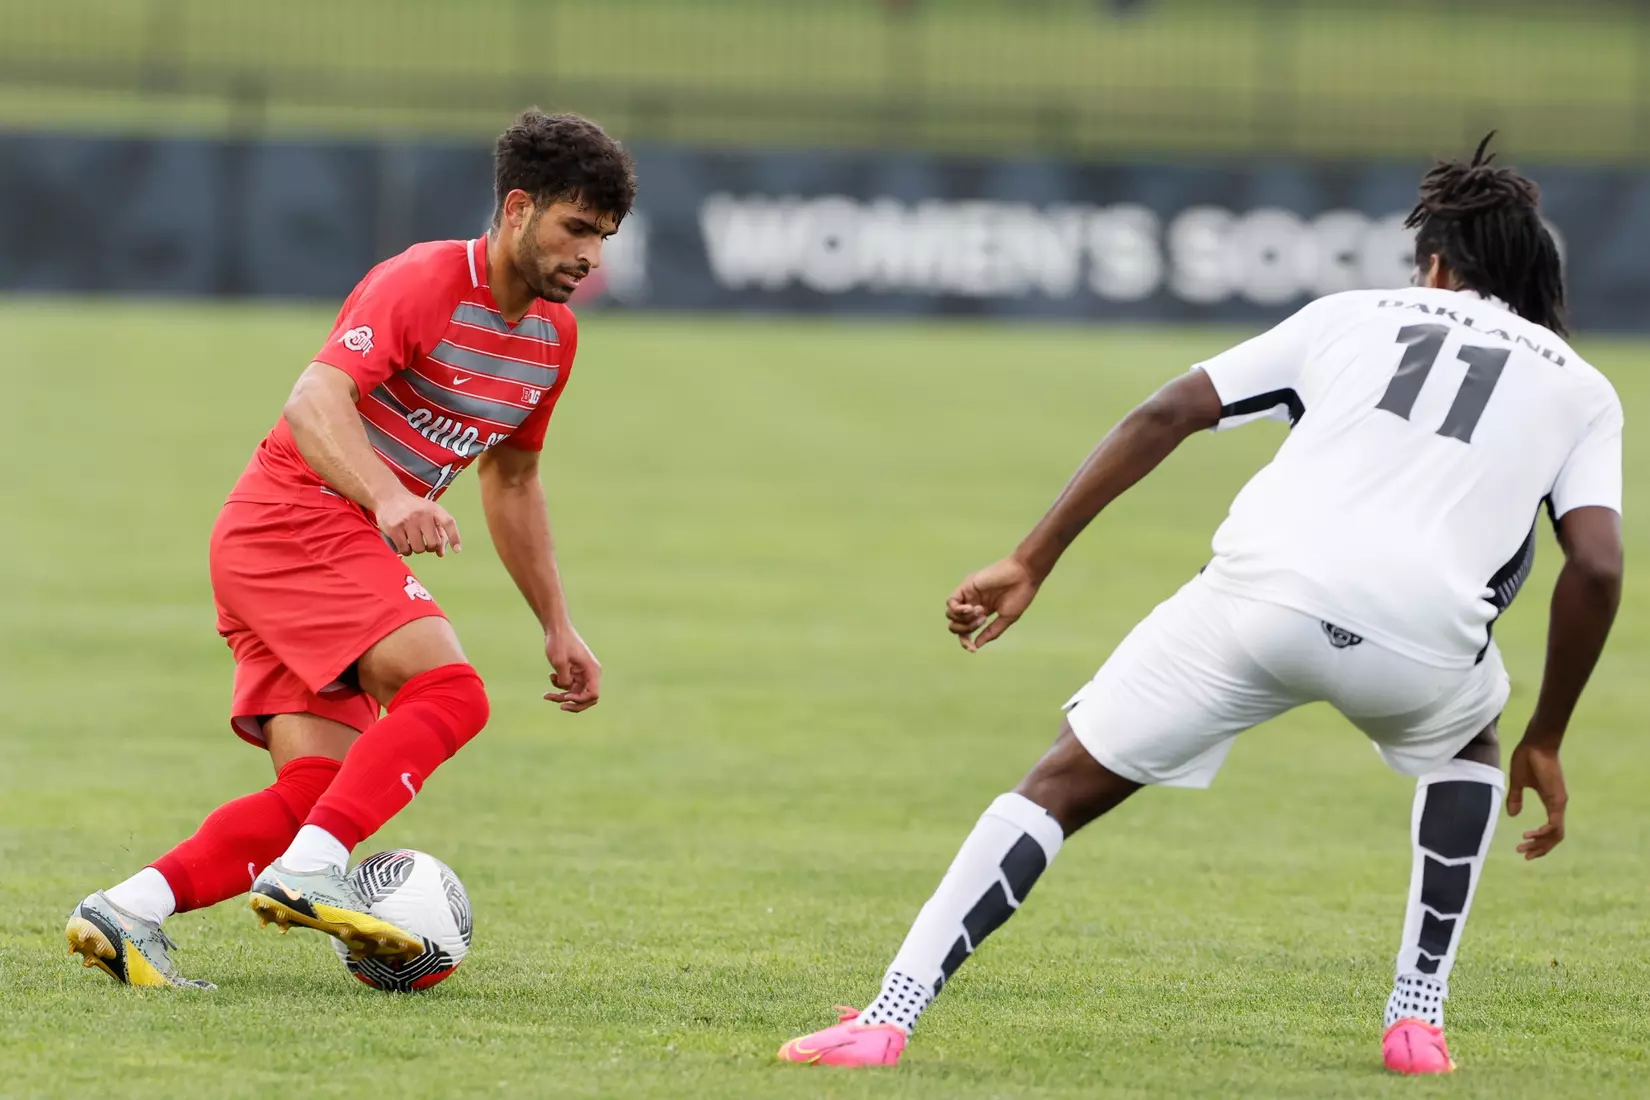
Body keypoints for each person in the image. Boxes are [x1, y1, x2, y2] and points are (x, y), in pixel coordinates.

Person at [779, 135, 1623, 1075]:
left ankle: (888, 1017)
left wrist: (1030, 559)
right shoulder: (1582, 388)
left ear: (1434, 265)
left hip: (1259, 603)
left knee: (1057, 786)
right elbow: (1595, 567)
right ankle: (1416, 1022)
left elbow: (1168, 411)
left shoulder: (1350, 314)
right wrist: (1549, 734)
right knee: (1470, 744)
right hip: (1420, 647)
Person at [65, 109, 636, 988]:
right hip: (293, 522)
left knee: (313, 794)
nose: (590, 255)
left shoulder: (552, 340)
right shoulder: (425, 280)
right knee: (451, 693)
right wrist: (391, 495)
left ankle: (127, 909)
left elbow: (514, 480)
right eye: (577, 228)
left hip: (300, 542)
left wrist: (558, 624)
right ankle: (309, 873)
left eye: (603, 237)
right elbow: (313, 399)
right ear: (519, 208)